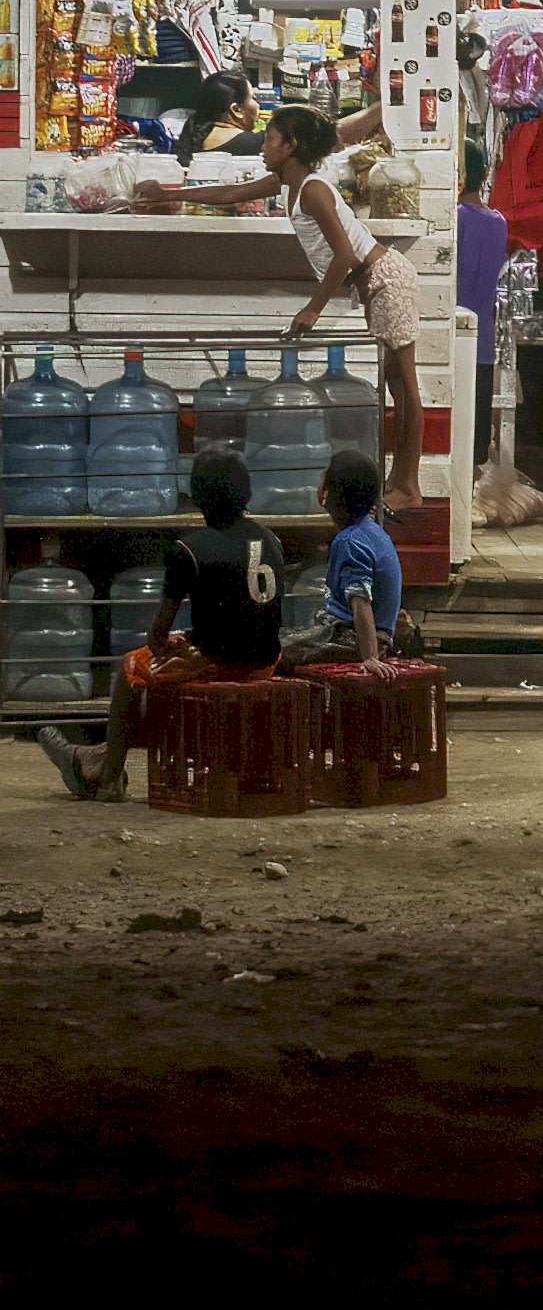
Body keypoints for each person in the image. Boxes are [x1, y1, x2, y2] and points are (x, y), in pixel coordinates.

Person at [139, 103, 426, 512]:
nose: (263, 146)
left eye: (270, 139)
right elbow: (230, 194)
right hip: (376, 284)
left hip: (386, 280)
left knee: (405, 387)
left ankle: (409, 486)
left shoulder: (313, 190)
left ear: (291, 146)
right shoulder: (289, 183)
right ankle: (400, 481)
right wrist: (168, 195)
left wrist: (313, 310)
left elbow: (345, 255)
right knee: (396, 386)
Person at [36, 449, 285, 803]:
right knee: (177, 661)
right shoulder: (272, 541)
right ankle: (95, 759)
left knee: (131, 668)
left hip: (220, 664)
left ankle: (109, 777)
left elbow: (157, 636)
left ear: (196, 496)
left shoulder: (189, 549)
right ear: (248, 493)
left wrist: (177, 645)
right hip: (266, 662)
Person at [275, 450, 403, 679]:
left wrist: (369, 657)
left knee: (272, 652)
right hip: (363, 634)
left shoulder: (349, 542)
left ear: (328, 493)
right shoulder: (373, 532)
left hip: (350, 638)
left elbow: (360, 600)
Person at [457, 142, 508, 469]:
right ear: (486, 173)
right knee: (473, 447)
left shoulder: (455, 219)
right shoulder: (498, 222)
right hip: (483, 344)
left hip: (454, 339)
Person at [175, 69, 266, 164]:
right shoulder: (259, 142)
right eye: (253, 98)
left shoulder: (192, 140)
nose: (258, 105)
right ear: (236, 110)